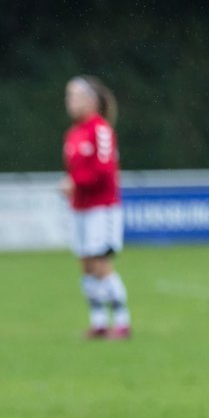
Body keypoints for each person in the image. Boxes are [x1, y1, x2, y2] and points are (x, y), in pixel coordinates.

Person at [61, 75, 131, 339]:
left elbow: (104, 171)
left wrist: (74, 183)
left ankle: (122, 322)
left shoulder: (99, 129)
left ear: (91, 100)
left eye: (74, 96)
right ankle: (99, 321)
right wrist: (73, 188)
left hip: (102, 208)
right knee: (86, 265)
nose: (70, 102)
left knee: (101, 264)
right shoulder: (73, 134)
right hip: (80, 208)